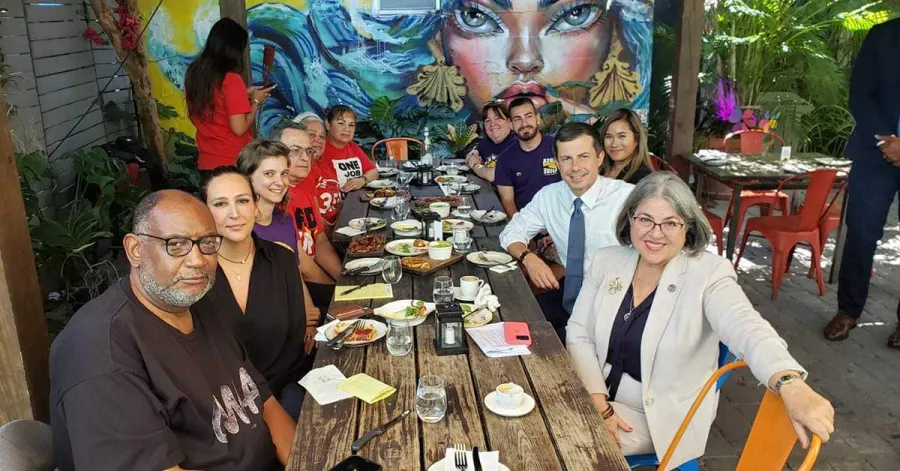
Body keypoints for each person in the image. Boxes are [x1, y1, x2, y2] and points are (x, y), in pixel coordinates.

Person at [567, 172, 835, 468]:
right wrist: (598, 400)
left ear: (689, 227)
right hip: (593, 393)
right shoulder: (608, 261)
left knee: (564, 444)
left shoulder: (709, 273)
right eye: (645, 219)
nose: (655, 233)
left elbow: (746, 326)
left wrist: (788, 380)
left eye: (670, 223)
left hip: (657, 416)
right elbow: (578, 332)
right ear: (629, 219)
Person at [50, 190, 295, 470]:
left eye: (207, 243)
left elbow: (264, 402)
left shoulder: (195, 302)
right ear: (135, 250)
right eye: (176, 244)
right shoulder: (100, 352)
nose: (198, 260)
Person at [500, 122, 634, 337]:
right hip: (568, 298)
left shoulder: (627, 198)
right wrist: (529, 258)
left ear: (600, 158)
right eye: (566, 159)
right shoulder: (549, 196)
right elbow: (511, 231)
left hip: (615, 305)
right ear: (557, 163)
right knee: (511, 324)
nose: (575, 167)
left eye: (583, 157)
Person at [201, 167, 314, 419]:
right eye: (220, 204)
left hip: (285, 391)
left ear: (255, 206)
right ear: (204, 212)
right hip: (223, 406)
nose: (234, 213)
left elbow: (295, 341)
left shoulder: (282, 259)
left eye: (242, 201)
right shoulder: (195, 271)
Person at [825, 18, 900, 348]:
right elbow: (860, 94)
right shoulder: (883, 36)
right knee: (861, 233)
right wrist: (888, 141)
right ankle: (848, 310)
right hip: (875, 152)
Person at [235, 138, 323, 325]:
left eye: (284, 174)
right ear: (247, 178)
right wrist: (300, 319)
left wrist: (309, 315)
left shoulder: (285, 220)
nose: (280, 182)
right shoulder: (241, 229)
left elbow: (295, 275)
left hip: (294, 308)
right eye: (269, 174)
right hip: (266, 323)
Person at [272, 120, 343, 314]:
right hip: (293, 293)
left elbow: (320, 240)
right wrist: (337, 290)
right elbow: (304, 267)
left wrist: (343, 278)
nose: (305, 158)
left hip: (314, 279)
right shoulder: (274, 199)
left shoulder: (304, 191)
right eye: (295, 151)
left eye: (308, 151)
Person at [185, 18, 272, 170]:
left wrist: (242, 94)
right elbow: (239, 128)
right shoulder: (232, 80)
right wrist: (256, 102)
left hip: (206, 161)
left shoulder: (195, 75)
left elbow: (215, 102)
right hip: (231, 161)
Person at [495, 97, 562, 217]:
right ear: (511, 124)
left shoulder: (560, 148)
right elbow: (508, 201)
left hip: (561, 220)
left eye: (528, 116)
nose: (524, 123)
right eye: (517, 119)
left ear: (537, 118)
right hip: (526, 223)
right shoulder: (504, 159)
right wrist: (520, 226)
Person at [294, 112, 343, 232]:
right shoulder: (300, 173)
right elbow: (316, 222)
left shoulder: (325, 166)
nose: (318, 140)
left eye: (322, 136)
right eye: (312, 134)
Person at [321, 105, 380, 192]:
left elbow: (374, 171)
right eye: (341, 123)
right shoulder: (320, 149)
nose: (347, 129)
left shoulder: (352, 146)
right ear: (328, 125)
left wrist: (362, 180)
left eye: (351, 125)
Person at [466, 101, 518, 183]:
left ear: (510, 122)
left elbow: (493, 175)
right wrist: (472, 155)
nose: (492, 124)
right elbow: (471, 158)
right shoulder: (485, 143)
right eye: (488, 120)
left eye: (497, 118)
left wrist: (476, 166)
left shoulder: (517, 144)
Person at [599, 108, 654, 184]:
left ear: (637, 139)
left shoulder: (643, 178)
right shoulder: (599, 169)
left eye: (621, 136)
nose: (614, 144)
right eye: (609, 136)